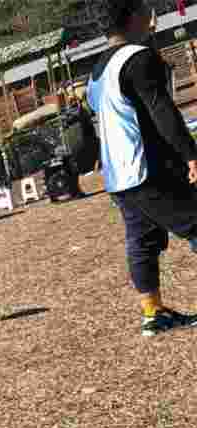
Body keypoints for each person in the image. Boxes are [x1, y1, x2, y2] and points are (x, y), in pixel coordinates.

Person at [88, 0, 197, 336]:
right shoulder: (138, 58)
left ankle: (153, 314)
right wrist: (190, 154)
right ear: (134, 15)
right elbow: (161, 110)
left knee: (143, 242)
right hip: (147, 168)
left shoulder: (97, 70)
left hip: (118, 177)